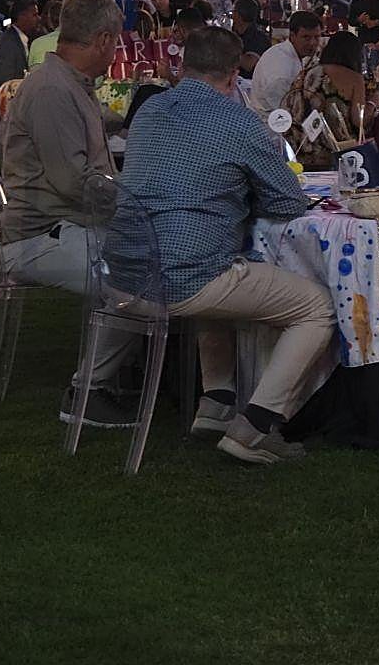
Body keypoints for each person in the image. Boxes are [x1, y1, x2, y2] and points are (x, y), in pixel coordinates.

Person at [120, 25, 334, 464]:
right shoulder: (240, 122)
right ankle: (255, 426)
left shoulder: (149, 110)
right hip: (183, 280)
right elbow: (288, 202)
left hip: (123, 274)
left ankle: (215, 403)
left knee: (214, 261)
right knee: (316, 309)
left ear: (182, 65)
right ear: (235, 73)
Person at [0, 0, 138, 427]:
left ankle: (125, 373)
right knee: (136, 279)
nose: (115, 51)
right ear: (101, 40)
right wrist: (136, 203)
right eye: (115, 42)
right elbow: (73, 182)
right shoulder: (54, 90)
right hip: (39, 236)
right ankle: (87, 392)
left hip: (62, 225)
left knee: (145, 258)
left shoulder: (66, 84)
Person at [247, 10, 322, 115]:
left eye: (317, 37)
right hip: (270, 124)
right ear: (292, 36)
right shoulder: (281, 73)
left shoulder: (298, 53)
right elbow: (284, 112)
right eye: (306, 37)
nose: (313, 43)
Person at [0, 0, 40, 105]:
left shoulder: (17, 39)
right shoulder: (9, 44)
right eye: (34, 15)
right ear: (22, 16)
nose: (38, 18)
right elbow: (5, 82)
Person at [233, 0, 271, 79]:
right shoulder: (234, 33)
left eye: (233, 11)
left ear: (238, 16)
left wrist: (224, 49)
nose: (231, 15)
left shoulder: (259, 38)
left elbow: (248, 65)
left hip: (250, 85)